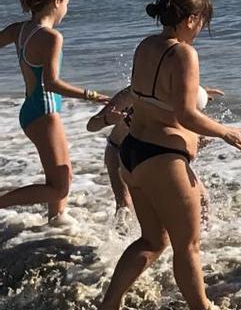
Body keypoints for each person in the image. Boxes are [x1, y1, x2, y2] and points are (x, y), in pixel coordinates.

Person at [93, 0, 241, 310]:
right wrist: (226, 131)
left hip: (132, 152)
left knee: (152, 240)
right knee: (187, 245)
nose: (200, 31)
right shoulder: (183, 54)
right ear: (191, 19)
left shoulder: (145, 45)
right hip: (162, 158)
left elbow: (151, 97)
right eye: (201, 23)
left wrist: (200, 94)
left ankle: (108, 308)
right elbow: (185, 115)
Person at [0, 0, 109, 223]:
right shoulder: (51, 37)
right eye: (67, 3)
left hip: (31, 111)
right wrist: (92, 96)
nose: (67, 10)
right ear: (57, 1)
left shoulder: (19, 30)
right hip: (45, 111)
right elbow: (52, 83)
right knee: (60, 185)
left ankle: (56, 222)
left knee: (61, 175)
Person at [87, 85, 223, 215]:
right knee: (124, 206)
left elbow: (184, 124)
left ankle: (201, 236)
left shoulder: (179, 91)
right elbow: (91, 125)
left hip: (153, 153)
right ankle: (117, 238)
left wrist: (202, 94)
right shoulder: (131, 94)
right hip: (119, 152)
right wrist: (106, 120)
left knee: (203, 199)